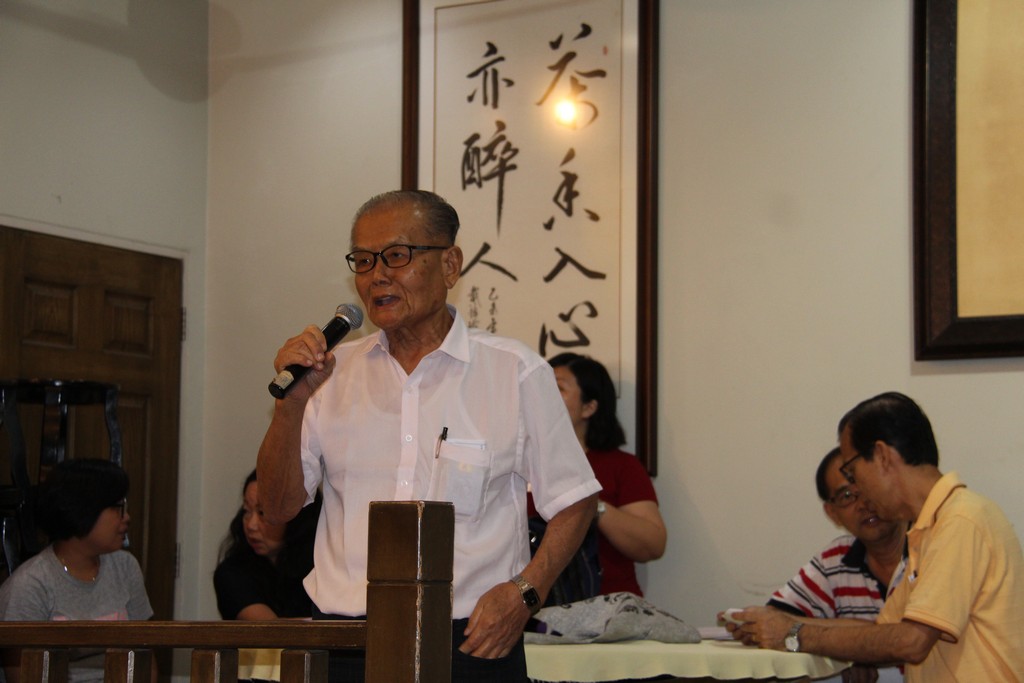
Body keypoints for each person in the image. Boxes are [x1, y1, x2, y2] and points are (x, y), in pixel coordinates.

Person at [256, 189, 601, 683]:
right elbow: (277, 508)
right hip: (345, 643)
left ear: (450, 264)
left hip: (472, 642)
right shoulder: (330, 374)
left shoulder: (514, 372)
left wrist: (526, 592)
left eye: (397, 256)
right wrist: (289, 406)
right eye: (364, 260)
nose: (377, 275)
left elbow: (575, 500)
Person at [730, 392, 1024, 682]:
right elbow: (883, 631)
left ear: (882, 456)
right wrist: (778, 622)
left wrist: (794, 634)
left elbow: (911, 642)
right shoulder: (928, 529)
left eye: (852, 471)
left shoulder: (960, 519)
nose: (858, 489)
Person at [0, 459, 153, 683]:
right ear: (82, 511)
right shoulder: (30, 585)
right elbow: (22, 675)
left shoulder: (125, 567)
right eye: (117, 507)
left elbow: (146, 658)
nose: (126, 517)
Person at [767, 447, 906, 682]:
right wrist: (846, 653)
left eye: (867, 486)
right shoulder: (835, 559)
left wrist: (853, 647)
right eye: (847, 496)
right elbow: (774, 620)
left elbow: (910, 639)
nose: (863, 503)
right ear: (832, 513)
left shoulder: (932, 545)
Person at [545, 352, 665, 597]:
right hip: (529, 609)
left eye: (558, 388)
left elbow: (652, 545)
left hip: (607, 609)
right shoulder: (517, 461)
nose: (543, 395)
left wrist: (592, 505)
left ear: (589, 407)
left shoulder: (620, 466)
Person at [214, 468, 321, 620]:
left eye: (262, 513)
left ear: (296, 516)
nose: (251, 525)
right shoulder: (233, 572)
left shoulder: (323, 569)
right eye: (246, 511)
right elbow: (271, 630)